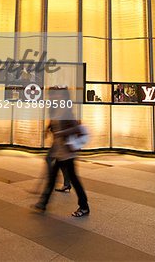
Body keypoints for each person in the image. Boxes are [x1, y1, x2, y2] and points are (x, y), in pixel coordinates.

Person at [33, 86, 90, 217]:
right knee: (53, 178)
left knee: (73, 179)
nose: (54, 97)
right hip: (60, 151)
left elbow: (77, 128)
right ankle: (43, 203)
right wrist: (48, 130)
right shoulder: (57, 109)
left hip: (67, 153)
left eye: (57, 95)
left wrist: (61, 132)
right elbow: (54, 124)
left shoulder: (66, 111)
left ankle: (84, 206)